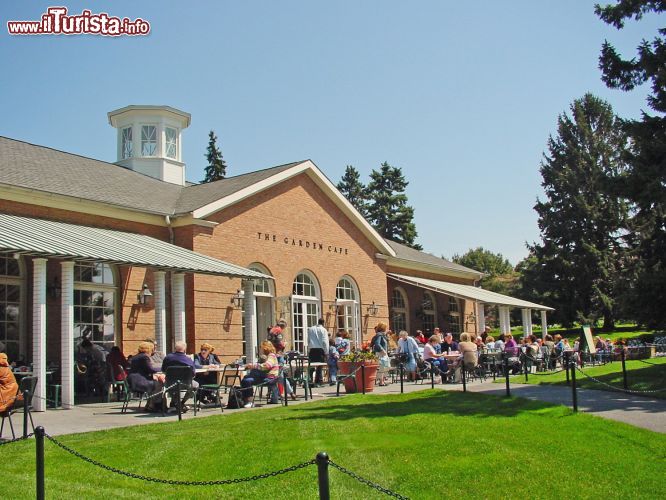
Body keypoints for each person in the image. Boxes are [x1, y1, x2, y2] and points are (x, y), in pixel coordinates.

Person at [240, 341, 280, 407]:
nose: (261, 350)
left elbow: (267, 366)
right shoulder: (269, 356)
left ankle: (248, 401)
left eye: (262, 348)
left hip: (269, 378)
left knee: (247, 380)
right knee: (246, 378)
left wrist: (253, 366)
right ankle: (245, 400)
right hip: (267, 376)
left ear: (266, 348)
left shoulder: (271, 356)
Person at [127, 342, 164, 412]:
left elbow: (145, 370)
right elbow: (150, 369)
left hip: (134, 380)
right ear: (148, 349)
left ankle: (149, 404)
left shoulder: (136, 356)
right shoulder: (144, 357)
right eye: (152, 349)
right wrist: (163, 369)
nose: (153, 351)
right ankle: (152, 405)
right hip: (139, 381)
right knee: (159, 384)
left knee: (156, 382)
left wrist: (155, 374)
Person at [162, 341, 199, 410]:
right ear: (185, 349)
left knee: (170, 387)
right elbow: (193, 374)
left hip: (170, 383)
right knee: (196, 385)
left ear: (175, 348)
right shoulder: (188, 360)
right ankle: (181, 403)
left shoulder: (168, 358)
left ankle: (177, 403)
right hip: (186, 383)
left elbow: (163, 370)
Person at [307, 318, 329, 386]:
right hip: (320, 349)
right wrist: (326, 352)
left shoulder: (311, 329)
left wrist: (309, 349)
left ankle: (310, 380)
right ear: (323, 323)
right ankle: (318, 381)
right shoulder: (324, 330)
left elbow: (308, 340)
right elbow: (325, 341)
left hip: (312, 349)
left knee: (311, 366)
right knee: (320, 366)